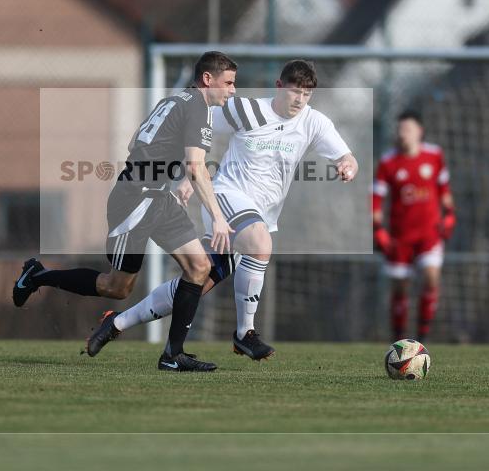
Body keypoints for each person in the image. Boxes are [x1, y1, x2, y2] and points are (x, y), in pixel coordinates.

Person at [85, 59, 358, 360]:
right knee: (260, 242)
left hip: (260, 214)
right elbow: (198, 127)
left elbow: (346, 156)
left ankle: (117, 322)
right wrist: (192, 177)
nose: (300, 100)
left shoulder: (313, 121)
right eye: (295, 92)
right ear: (279, 87)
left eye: (307, 95)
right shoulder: (247, 110)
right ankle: (245, 334)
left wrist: (347, 165)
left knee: (195, 282)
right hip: (228, 196)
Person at [13, 51, 237, 372]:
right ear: (207, 79)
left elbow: (136, 140)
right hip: (135, 200)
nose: (232, 90)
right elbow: (196, 165)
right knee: (116, 288)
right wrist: (216, 216)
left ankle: (173, 355)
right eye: (228, 83)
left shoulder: (175, 101)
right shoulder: (198, 108)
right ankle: (37, 276)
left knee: (199, 267)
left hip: (157, 198)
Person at [372, 110, 455, 342]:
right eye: (399, 130)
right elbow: (376, 199)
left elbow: (445, 190)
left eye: (407, 129)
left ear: (420, 131)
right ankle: (398, 340)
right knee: (400, 288)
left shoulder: (434, 156)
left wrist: (449, 215)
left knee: (431, 278)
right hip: (400, 237)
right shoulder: (388, 162)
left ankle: (423, 338)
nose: (402, 134)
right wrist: (378, 229)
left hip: (429, 234)